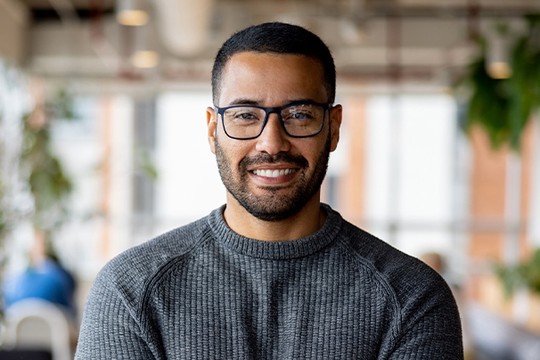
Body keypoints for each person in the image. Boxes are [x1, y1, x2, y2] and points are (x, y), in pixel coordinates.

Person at [75, 22, 463, 359]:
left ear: (334, 126)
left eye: (299, 115)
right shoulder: (130, 292)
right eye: (245, 116)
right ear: (213, 130)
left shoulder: (411, 298)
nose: (271, 142)